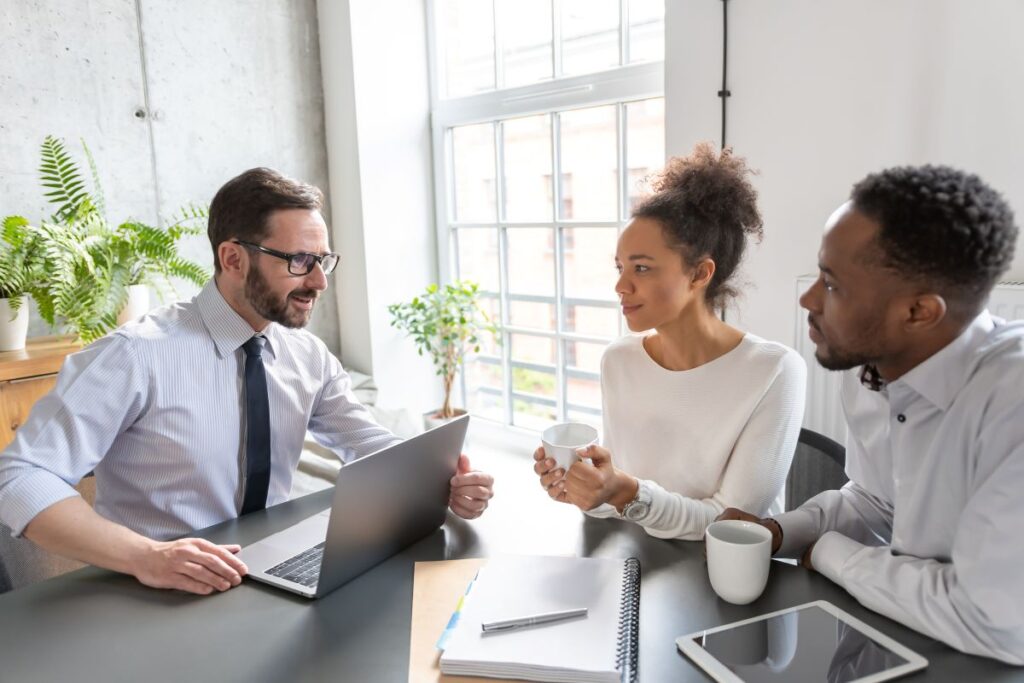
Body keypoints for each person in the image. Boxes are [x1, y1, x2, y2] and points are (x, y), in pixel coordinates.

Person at [0, 168, 494, 596]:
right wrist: (148, 556)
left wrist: (440, 482)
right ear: (233, 259)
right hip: (152, 586)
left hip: (271, 570)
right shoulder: (134, 356)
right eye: (300, 261)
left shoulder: (307, 356)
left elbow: (368, 444)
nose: (319, 282)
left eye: (323, 261)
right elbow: (19, 478)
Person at [717, 164, 1024, 664]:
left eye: (833, 285)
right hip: (886, 643)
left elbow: (993, 620)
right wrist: (779, 532)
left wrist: (833, 554)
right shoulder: (870, 369)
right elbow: (878, 501)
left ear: (919, 312)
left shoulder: (1012, 403)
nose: (807, 299)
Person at [533, 144, 806, 540]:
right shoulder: (619, 360)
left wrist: (625, 491)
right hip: (637, 566)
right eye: (620, 267)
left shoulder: (774, 371)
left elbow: (732, 526)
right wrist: (587, 490)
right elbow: (616, 507)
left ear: (699, 275)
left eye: (641, 268)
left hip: (724, 580)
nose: (621, 285)